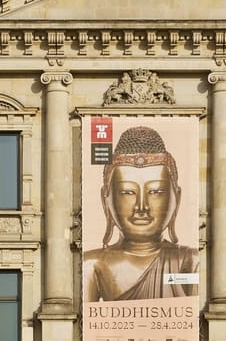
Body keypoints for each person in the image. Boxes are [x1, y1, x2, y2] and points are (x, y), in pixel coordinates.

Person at [83, 126, 198, 302]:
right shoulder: (93, 264)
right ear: (106, 199)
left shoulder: (188, 262)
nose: (142, 207)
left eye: (156, 191)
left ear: (177, 198)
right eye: (128, 192)